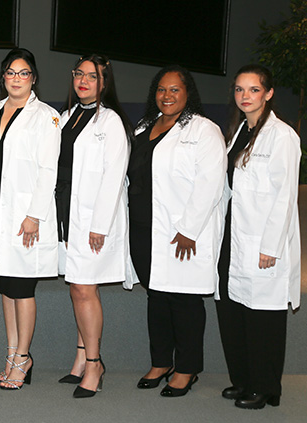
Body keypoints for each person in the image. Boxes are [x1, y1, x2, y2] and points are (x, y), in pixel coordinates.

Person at [127, 65, 226, 397]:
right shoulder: (144, 127)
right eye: (161, 89)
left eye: (174, 90)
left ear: (188, 93)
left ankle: (186, 368)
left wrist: (189, 229)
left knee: (183, 301)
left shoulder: (203, 130)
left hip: (180, 232)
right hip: (143, 228)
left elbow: (210, 183)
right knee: (156, 297)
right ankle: (160, 362)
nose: (166, 96)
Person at [215, 64, 301, 410]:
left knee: (263, 316)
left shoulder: (282, 136)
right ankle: (244, 381)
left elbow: (285, 197)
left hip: (263, 238)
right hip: (234, 232)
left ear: (268, 93)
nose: (245, 96)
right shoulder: (240, 132)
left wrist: (270, 247)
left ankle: (266, 387)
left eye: (253, 90)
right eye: (239, 90)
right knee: (234, 311)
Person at [0, 48, 60, 390]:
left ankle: (24, 357)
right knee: (6, 287)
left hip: (25, 215)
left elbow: (48, 169)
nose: (16, 78)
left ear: (34, 78)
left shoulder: (47, 116)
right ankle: (12, 353)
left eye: (23, 73)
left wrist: (33, 215)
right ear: (3, 77)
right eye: (11, 72)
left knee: (22, 288)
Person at [55, 54, 132, 398]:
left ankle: (95, 364)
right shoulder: (67, 117)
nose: (84, 81)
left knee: (84, 289)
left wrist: (99, 225)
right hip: (66, 215)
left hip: (92, 221)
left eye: (92, 76)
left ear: (104, 83)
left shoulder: (111, 122)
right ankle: (80, 358)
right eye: (79, 74)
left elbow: (114, 177)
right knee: (76, 287)